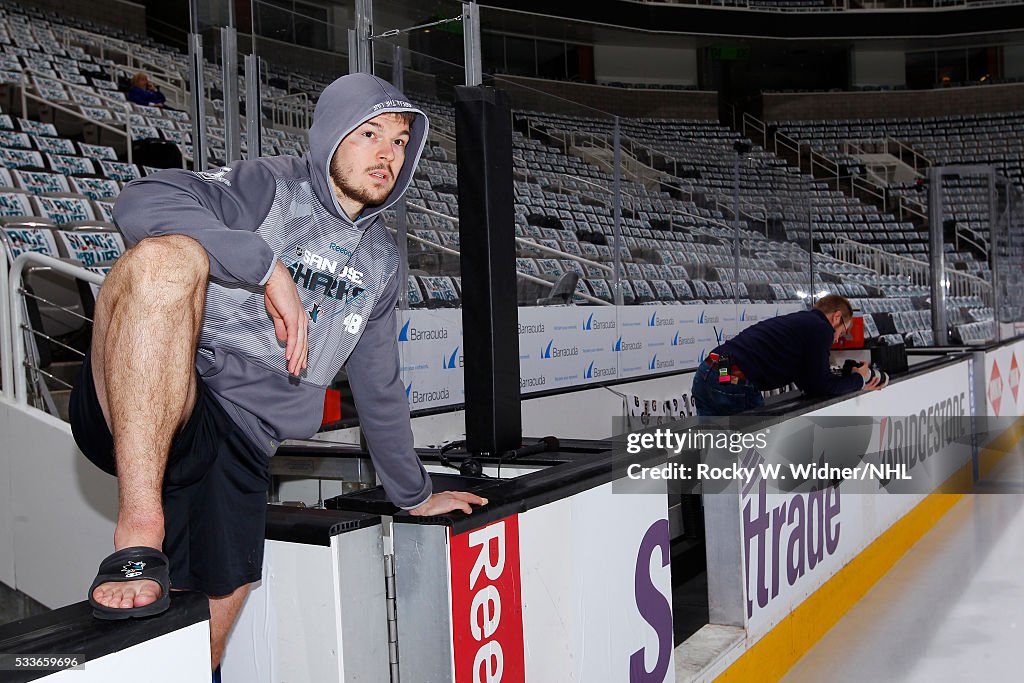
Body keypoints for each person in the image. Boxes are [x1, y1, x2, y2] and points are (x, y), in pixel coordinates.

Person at [68, 73, 487, 670]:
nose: (386, 154)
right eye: (370, 134)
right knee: (165, 255)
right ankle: (138, 529)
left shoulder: (381, 262)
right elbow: (139, 203)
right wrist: (266, 269)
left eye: (399, 142)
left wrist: (414, 496)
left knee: (203, 639)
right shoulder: (267, 185)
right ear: (331, 135)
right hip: (164, 386)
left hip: (241, 438)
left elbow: (380, 387)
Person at [691, 294, 883, 416]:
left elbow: (809, 381)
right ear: (837, 317)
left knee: (713, 452)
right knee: (752, 452)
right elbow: (820, 385)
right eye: (842, 332)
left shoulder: (802, 323)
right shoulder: (821, 329)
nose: (837, 339)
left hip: (711, 368)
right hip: (732, 377)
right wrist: (860, 378)